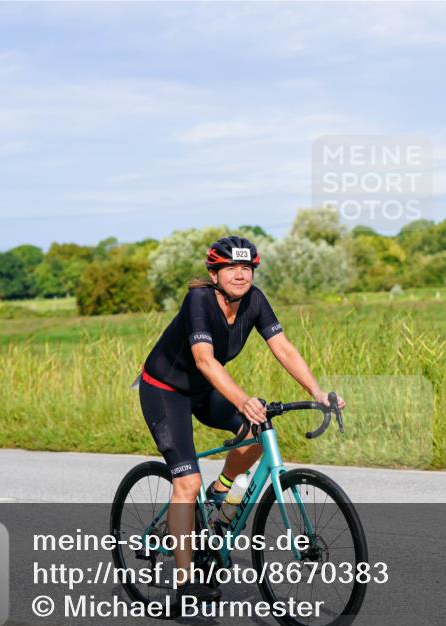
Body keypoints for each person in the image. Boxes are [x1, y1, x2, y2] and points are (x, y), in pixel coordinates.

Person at [139, 235, 345, 605]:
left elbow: (282, 347)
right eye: (231, 267)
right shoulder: (198, 301)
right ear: (214, 273)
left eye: (246, 267)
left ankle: (222, 491)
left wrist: (317, 391)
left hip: (203, 389)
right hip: (164, 390)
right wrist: (243, 399)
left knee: (254, 435)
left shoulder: (255, 301)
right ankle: (186, 582)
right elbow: (204, 359)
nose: (240, 274)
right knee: (186, 482)